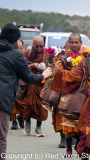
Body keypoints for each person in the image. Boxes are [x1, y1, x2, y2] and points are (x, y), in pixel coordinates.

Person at [0, 23, 52, 160]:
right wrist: (44, 75)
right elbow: (28, 77)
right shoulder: (16, 54)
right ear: (16, 39)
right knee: (0, 138)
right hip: (2, 99)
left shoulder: (45, 54)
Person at [53, 33, 90, 155]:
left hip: (84, 92)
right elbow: (57, 71)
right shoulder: (63, 56)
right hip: (69, 91)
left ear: (81, 43)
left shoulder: (88, 54)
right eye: (72, 42)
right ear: (68, 43)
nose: (74, 44)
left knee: (83, 120)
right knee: (68, 119)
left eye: (76, 42)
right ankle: (68, 148)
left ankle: (81, 147)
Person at [23, 36, 49, 137]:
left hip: (42, 83)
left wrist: (47, 67)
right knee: (29, 103)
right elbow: (23, 66)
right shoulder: (28, 53)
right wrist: (33, 66)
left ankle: (38, 127)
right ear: (33, 45)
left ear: (43, 44)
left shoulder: (47, 53)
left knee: (41, 106)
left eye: (41, 46)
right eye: (36, 46)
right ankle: (28, 122)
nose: (39, 48)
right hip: (31, 82)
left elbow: (51, 65)